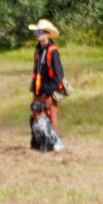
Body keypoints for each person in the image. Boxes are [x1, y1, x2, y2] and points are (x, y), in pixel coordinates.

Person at [28, 18, 67, 152]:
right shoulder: (38, 50)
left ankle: (56, 145)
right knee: (35, 118)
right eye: (36, 32)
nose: (37, 34)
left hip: (49, 92)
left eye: (40, 32)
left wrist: (48, 90)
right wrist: (35, 89)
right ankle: (38, 144)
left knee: (50, 119)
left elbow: (58, 76)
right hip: (38, 91)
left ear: (47, 34)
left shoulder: (52, 51)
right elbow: (36, 71)